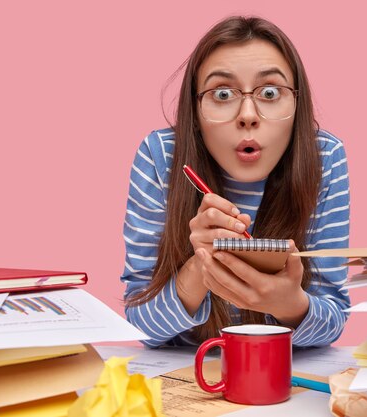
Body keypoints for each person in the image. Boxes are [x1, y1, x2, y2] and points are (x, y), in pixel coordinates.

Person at [120, 16, 350, 348]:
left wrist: (290, 305)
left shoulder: (324, 158)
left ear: (297, 104)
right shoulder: (160, 157)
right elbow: (141, 327)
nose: (247, 114)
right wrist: (202, 267)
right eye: (222, 93)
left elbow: (333, 320)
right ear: (196, 114)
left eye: (270, 92)